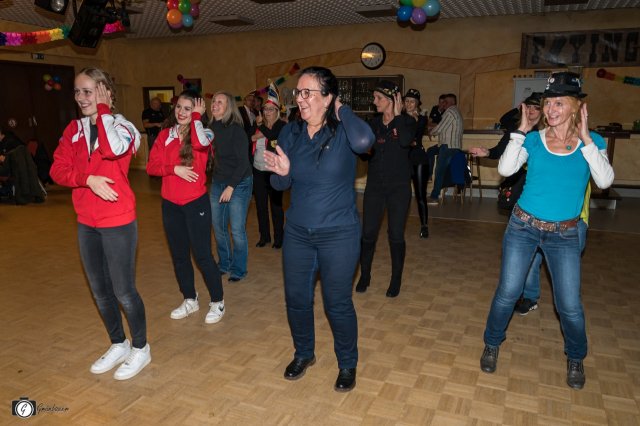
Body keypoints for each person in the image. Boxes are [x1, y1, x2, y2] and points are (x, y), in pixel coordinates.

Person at [480, 72, 614, 390]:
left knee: (569, 305)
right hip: (523, 226)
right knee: (508, 292)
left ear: (576, 106)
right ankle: (492, 343)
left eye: (558, 103)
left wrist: (585, 139)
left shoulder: (593, 142)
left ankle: (576, 356)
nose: (551, 109)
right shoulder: (533, 139)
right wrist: (521, 131)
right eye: (548, 103)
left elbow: (605, 181)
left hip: (564, 234)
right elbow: (505, 169)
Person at [263, 66, 375, 392]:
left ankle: (347, 363)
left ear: (327, 98)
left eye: (307, 93)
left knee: (336, 302)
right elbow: (279, 185)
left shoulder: (344, 133)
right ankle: (304, 353)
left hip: (339, 234)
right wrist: (282, 172)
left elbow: (366, 141)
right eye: (297, 93)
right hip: (298, 233)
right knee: (297, 299)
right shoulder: (291, 133)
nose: (300, 99)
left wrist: (341, 108)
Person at [50, 67, 150, 380]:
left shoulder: (125, 127)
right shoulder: (74, 130)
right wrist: (88, 179)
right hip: (86, 221)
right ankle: (118, 343)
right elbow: (56, 170)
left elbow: (112, 150)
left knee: (123, 291)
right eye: (77, 92)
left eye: (88, 91)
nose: (81, 98)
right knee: (100, 291)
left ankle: (141, 347)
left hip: (118, 220)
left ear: (105, 91)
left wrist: (104, 112)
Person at [146, 90, 225, 324]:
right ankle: (190, 299)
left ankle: (218, 301)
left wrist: (197, 118)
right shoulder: (165, 135)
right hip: (170, 205)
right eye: (179, 107)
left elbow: (199, 143)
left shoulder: (205, 133)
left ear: (197, 111)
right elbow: (151, 167)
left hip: (195, 203)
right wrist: (174, 169)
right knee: (179, 256)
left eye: (188, 109)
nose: (181, 112)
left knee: (202, 255)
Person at [355, 81, 415, 298]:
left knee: (396, 235)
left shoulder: (407, 121)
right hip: (375, 188)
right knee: (368, 234)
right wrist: (362, 148)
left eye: (378, 98)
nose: (374, 102)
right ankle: (365, 275)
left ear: (392, 100)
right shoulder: (373, 124)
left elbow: (405, 141)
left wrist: (398, 116)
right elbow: (364, 155)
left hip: (399, 189)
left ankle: (395, 279)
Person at [209, 91, 253, 282]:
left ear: (229, 107)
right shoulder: (210, 128)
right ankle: (224, 263)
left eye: (220, 102)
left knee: (236, 229)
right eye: (214, 101)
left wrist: (231, 186)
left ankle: (239, 269)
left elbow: (243, 163)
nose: (215, 104)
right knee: (218, 227)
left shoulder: (236, 130)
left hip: (239, 182)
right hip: (218, 181)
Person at [250, 83, 285, 248]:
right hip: (258, 171)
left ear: (277, 111)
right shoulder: (258, 125)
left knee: (276, 208)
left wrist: (260, 128)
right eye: (265, 109)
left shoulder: (281, 126)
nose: (267, 112)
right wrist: (255, 134)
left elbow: (271, 135)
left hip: (274, 172)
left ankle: (279, 239)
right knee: (261, 207)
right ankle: (264, 237)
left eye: (271, 109)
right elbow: (249, 138)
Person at [426, 93, 464, 204]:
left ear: (452, 102)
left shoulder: (450, 111)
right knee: (431, 152)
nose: (443, 104)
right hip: (453, 146)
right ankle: (429, 175)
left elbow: (440, 128)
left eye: (445, 102)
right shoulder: (456, 111)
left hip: (448, 146)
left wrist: (430, 131)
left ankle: (434, 196)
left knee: (439, 171)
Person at [404, 89, 430, 238]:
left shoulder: (421, 119)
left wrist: (413, 121)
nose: (409, 104)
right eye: (407, 101)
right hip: (402, 158)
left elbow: (414, 137)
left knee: (420, 194)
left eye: (412, 101)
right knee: (401, 194)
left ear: (417, 104)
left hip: (418, 157)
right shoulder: (399, 118)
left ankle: (424, 226)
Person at [0, 127, 46, 204]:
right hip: (24, 167)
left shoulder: (10, 142)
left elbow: (8, 161)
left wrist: (5, 158)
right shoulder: (13, 140)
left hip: (13, 168)